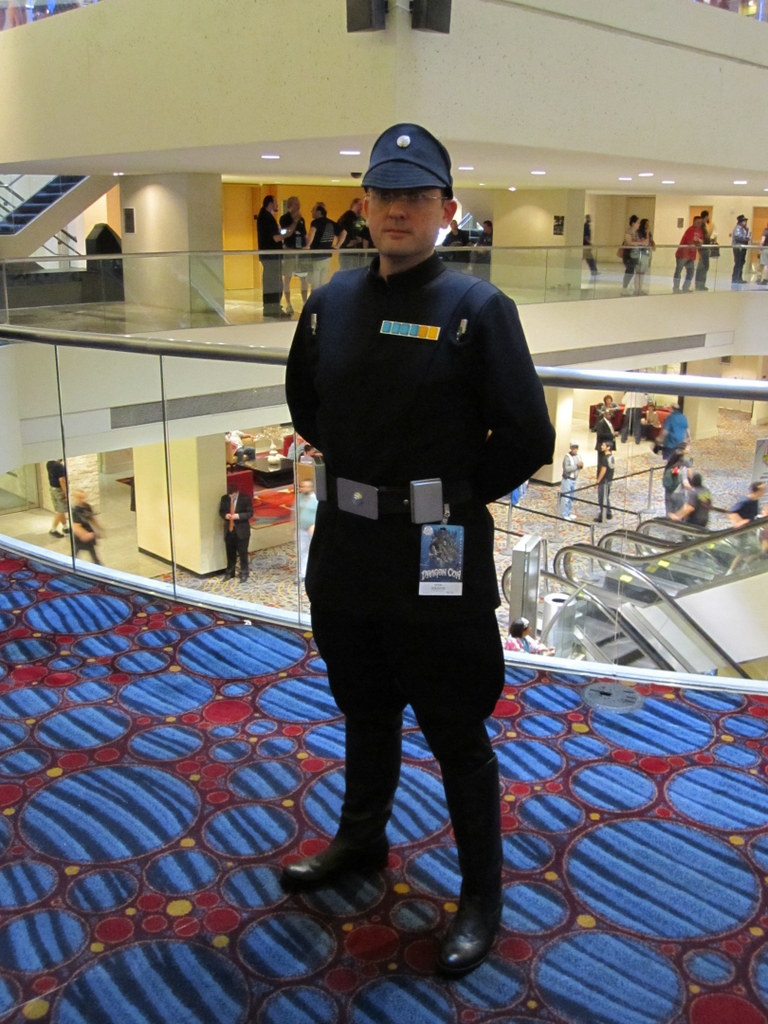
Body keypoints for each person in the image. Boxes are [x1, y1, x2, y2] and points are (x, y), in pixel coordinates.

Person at [284, 122, 555, 977]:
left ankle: (480, 895)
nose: (398, 210)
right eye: (384, 195)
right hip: (348, 545)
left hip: (438, 550)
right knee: (363, 708)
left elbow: (528, 435)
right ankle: (361, 841)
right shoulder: (330, 302)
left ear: (446, 208)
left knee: (455, 730)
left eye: (416, 196)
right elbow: (304, 404)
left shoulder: (478, 311)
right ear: (363, 205)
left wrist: (453, 495)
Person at [256, 194, 285, 318]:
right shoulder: (267, 218)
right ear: (270, 203)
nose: (277, 205)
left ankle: (271, 307)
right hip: (272, 257)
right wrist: (287, 235)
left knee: (270, 281)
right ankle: (273, 307)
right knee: (274, 282)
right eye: (275, 202)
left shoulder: (264, 216)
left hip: (269, 257)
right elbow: (275, 238)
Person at [280, 196, 308, 315]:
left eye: (299, 204)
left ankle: (305, 303)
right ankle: (288, 304)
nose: (298, 206)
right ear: (290, 206)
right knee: (287, 277)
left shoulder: (302, 219)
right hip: (289, 251)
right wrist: (295, 221)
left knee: (303, 278)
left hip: (300, 252)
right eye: (296, 204)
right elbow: (286, 233)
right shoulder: (284, 219)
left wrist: (306, 247)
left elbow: (304, 234)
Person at [218, 483, 253, 580]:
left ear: (237, 492)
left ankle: (244, 572)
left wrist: (238, 516)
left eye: (233, 495)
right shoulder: (224, 498)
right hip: (229, 530)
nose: (231, 497)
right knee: (230, 553)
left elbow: (250, 513)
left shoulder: (245, 498)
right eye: (229, 495)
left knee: (243, 553)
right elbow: (221, 511)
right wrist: (226, 515)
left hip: (242, 531)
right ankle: (230, 572)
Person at [305, 203, 336, 292]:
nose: (311, 211)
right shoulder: (330, 223)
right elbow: (343, 232)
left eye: (313, 210)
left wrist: (307, 246)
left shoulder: (316, 222)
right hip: (327, 257)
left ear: (319, 212)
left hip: (316, 257)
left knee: (315, 283)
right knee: (323, 283)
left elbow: (312, 233)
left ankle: (315, 299)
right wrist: (336, 246)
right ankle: (321, 299)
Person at [71, 490, 103, 564]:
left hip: (89, 533)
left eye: (83, 498)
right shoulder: (74, 511)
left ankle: (97, 564)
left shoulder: (87, 506)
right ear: (75, 498)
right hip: (80, 536)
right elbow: (75, 527)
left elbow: (92, 518)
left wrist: (98, 529)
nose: (82, 500)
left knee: (92, 552)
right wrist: (85, 534)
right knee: (76, 551)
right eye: (79, 498)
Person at [335, 197, 367, 269]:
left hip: (357, 252)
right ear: (354, 205)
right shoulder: (347, 217)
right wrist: (347, 242)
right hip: (348, 251)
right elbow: (340, 230)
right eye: (359, 204)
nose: (361, 207)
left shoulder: (361, 220)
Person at [673, 216, 703, 293]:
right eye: (698, 222)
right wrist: (697, 243)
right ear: (694, 222)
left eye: (700, 222)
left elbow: (701, 241)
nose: (699, 224)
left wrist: (698, 243)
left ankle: (686, 287)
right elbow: (690, 242)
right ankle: (676, 288)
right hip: (682, 254)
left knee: (690, 272)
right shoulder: (690, 230)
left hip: (691, 255)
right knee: (678, 271)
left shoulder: (700, 231)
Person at [296, 477, 318, 581]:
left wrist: (314, 525)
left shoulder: (316, 500)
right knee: (302, 551)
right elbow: (296, 511)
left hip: (313, 530)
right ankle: (302, 574)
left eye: (307, 486)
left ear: (311, 487)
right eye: (303, 486)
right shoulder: (299, 498)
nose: (304, 488)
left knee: (314, 551)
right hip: (301, 529)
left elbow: (321, 515)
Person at [662, 444, 693, 515]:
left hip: (668, 493)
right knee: (679, 515)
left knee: (669, 514)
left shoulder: (670, 466)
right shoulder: (682, 468)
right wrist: (693, 490)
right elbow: (685, 483)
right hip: (679, 493)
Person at [559, 441, 583, 520]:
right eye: (573, 448)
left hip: (574, 479)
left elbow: (580, 465)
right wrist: (576, 466)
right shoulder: (567, 457)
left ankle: (569, 512)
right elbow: (566, 469)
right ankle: (564, 514)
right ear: (571, 448)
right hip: (567, 479)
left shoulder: (578, 456)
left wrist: (581, 465)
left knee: (572, 497)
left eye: (576, 448)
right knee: (566, 497)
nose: (575, 450)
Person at [46, 458, 69, 537]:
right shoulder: (59, 466)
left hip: (53, 489)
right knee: (60, 511)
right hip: (59, 490)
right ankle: (53, 529)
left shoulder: (49, 463)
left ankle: (65, 527)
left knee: (60, 509)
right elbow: (62, 480)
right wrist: (66, 493)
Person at [633, 218, 655, 295]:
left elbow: (651, 243)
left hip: (646, 254)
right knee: (638, 272)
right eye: (646, 224)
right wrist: (647, 235)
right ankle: (636, 289)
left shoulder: (649, 233)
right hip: (639, 253)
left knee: (643, 272)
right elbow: (644, 242)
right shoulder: (639, 233)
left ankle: (640, 288)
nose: (648, 226)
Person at [695, 210, 715, 291]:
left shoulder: (703, 225)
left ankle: (699, 284)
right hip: (704, 248)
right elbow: (706, 236)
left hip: (703, 248)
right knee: (704, 266)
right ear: (706, 216)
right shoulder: (703, 225)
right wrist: (712, 229)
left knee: (702, 266)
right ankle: (700, 285)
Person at [595, 440, 614, 522]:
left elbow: (603, 470)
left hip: (604, 481)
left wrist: (598, 480)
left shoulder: (605, 458)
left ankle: (603, 515)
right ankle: (608, 513)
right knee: (606, 497)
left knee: (602, 498)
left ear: (608, 447)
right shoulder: (611, 457)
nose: (601, 446)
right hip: (609, 480)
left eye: (603, 445)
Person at [620, 214, 639, 295]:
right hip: (628, 255)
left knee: (631, 271)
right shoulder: (628, 232)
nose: (639, 224)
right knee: (629, 271)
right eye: (637, 222)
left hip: (635, 254)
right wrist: (639, 243)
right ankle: (624, 287)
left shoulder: (637, 233)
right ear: (633, 223)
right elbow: (629, 243)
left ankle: (628, 287)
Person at [731, 214, 750, 285]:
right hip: (738, 247)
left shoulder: (745, 229)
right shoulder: (738, 228)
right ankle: (736, 278)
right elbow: (738, 236)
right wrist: (746, 238)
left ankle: (739, 277)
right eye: (744, 221)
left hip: (743, 248)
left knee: (741, 262)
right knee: (738, 262)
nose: (745, 222)